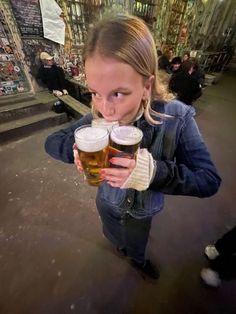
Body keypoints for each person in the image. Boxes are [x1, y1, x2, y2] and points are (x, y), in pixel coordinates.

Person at [45, 15, 221, 280]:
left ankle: (137, 260)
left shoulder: (177, 117)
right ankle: (118, 246)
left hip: (143, 210)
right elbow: (51, 142)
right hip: (107, 202)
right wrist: (80, 149)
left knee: (137, 243)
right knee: (113, 232)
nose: (105, 108)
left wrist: (153, 173)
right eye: (94, 92)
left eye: (118, 93)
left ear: (146, 85)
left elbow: (209, 180)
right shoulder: (96, 119)